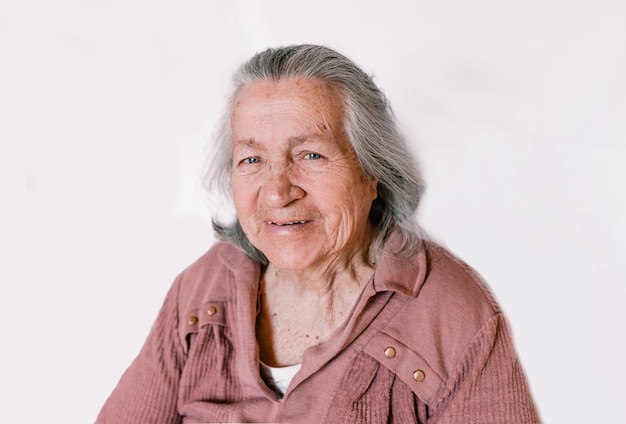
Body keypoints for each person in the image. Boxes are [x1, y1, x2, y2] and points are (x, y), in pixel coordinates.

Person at [96, 44, 541, 423]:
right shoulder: (202, 290)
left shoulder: (452, 313)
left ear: (373, 173)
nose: (277, 192)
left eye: (310, 154)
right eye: (251, 160)